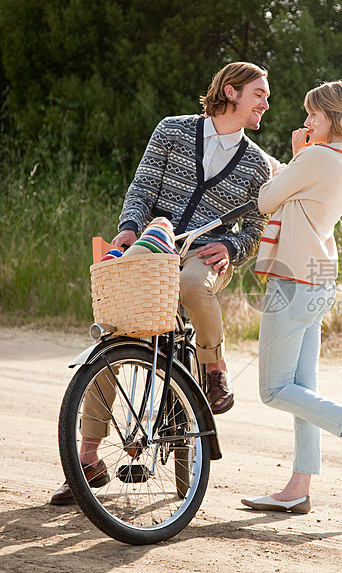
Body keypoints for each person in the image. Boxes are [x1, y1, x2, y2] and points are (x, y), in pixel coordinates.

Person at [50, 61, 279, 506]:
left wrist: (231, 247)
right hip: (155, 244)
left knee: (194, 285)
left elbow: (256, 225)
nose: (266, 104)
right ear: (230, 92)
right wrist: (129, 227)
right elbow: (142, 187)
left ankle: (214, 369)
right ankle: (88, 460)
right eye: (259, 94)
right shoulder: (172, 131)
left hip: (204, 255)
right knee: (115, 337)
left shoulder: (257, 164)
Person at [241, 81, 342, 515]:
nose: (306, 123)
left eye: (313, 116)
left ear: (333, 118)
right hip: (319, 278)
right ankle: (299, 488)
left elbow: (267, 199)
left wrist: (297, 154)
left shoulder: (318, 156)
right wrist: (302, 155)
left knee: (274, 390)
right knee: (303, 388)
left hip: (293, 281)